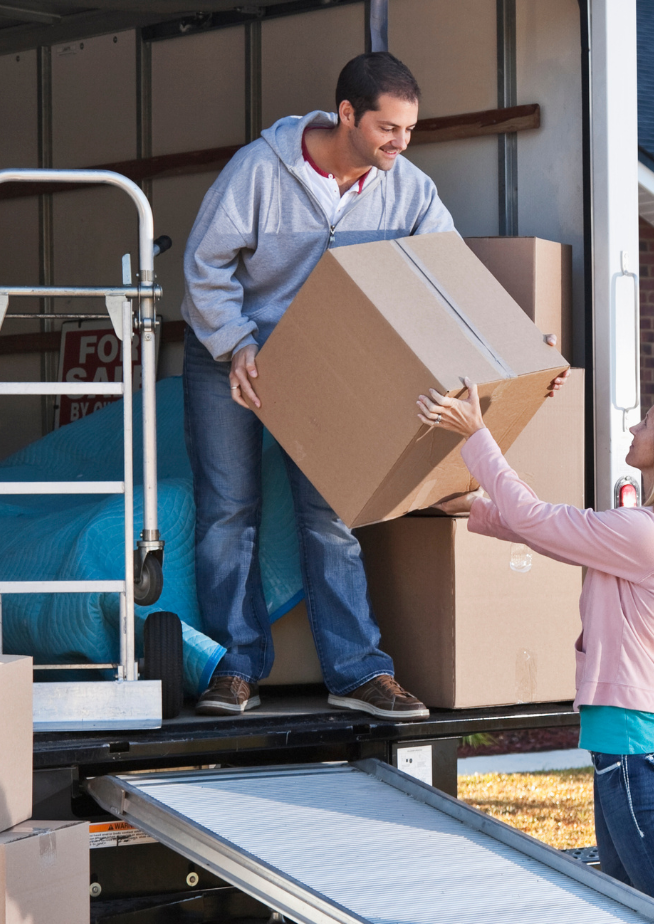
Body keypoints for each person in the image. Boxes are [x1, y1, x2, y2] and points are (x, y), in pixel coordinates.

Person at [178, 52, 451, 718]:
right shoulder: (260, 170)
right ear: (348, 115)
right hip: (231, 353)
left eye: (409, 130)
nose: (400, 143)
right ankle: (234, 667)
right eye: (389, 129)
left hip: (326, 367)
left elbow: (445, 281)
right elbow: (204, 266)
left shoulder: (409, 189)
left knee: (332, 520)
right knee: (228, 513)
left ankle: (358, 672)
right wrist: (237, 343)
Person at [415, 382, 654, 902]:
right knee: (634, 910)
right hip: (631, 744)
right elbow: (542, 528)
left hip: (636, 748)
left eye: (647, 421)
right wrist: (464, 506)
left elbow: (538, 520)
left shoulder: (649, 533)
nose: (634, 427)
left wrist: (478, 435)